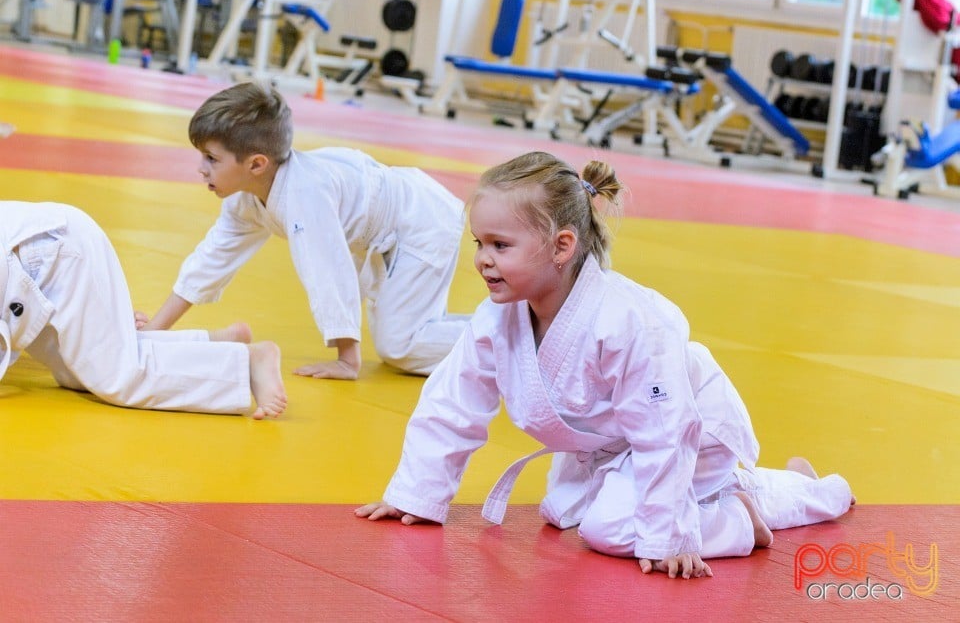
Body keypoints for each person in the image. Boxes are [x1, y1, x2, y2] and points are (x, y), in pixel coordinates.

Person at [356, 152, 854, 579]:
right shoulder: (497, 319)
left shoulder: (631, 320)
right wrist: (416, 496)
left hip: (690, 436)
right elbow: (451, 404)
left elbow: (665, 429)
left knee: (609, 529)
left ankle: (746, 512)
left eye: (500, 245)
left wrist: (670, 537)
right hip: (610, 444)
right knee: (562, 511)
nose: (483, 260)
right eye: (479, 244)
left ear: (562, 247)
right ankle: (767, 489)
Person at [137, 81, 469, 380]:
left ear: (256, 164)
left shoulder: (305, 195)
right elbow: (210, 260)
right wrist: (155, 330)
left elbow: (327, 269)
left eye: (211, 158)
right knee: (406, 333)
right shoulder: (246, 201)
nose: (200, 168)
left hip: (421, 222)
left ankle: (510, 337)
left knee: (401, 347)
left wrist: (347, 359)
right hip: (392, 229)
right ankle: (503, 329)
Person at [1, 200, 287, 419]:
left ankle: (246, 364)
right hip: (43, 252)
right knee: (76, 373)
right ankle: (210, 346)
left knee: (118, 377)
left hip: (51, 255)